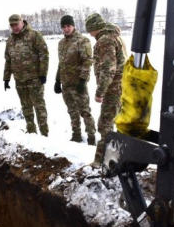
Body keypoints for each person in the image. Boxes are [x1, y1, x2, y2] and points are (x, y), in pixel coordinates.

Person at [85, 13, 128, 167]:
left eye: (90, 30)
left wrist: (100, 91)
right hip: (122, 87)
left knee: (105, 124)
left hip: (113, 89)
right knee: (116, 123)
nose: (90, 34)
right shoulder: (115, 37)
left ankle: (101, 162)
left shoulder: (105, 40)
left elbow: (108, 69)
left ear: (96, 28)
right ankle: (118, 158)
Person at [3, 14, 49, 136]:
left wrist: (43, 74)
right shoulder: (10, 41)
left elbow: (44, 55)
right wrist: (6, 78)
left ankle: (45, 135)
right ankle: (31, 133)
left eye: (16, 24)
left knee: (39, 107)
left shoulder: (34, 36)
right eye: (12, 25)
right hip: (19, 80)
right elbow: (8, 60)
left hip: (35, 79)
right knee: (26, 107)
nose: (14, 27)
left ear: (22, 22)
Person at [55, 15, 96, 145]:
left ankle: (91, 137)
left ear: (73, 26)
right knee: (72, 111)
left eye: (68, 26)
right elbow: (61, 64)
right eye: (64, 26)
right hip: (66, 84)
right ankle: (76, 135)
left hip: (78, 84)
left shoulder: (82, 41)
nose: (66, 29)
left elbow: (88, 61)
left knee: (85, 111)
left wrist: (83, 80)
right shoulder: (61, 43)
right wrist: (57, 80)